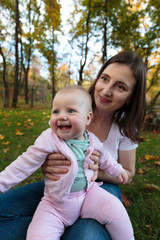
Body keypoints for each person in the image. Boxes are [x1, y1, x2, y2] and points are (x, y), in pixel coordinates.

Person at [0, 51, 146, 240]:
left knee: (86, 234)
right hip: (59, 192)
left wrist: (93, 169)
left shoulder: (125, 126)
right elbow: (29, 160)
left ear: (131, 97)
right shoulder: (73, 103)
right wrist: (47, 164)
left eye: (120, 87)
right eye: (105, 78)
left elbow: (127, 172)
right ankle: (50, 227)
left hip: (99, 188)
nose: (106, 90)